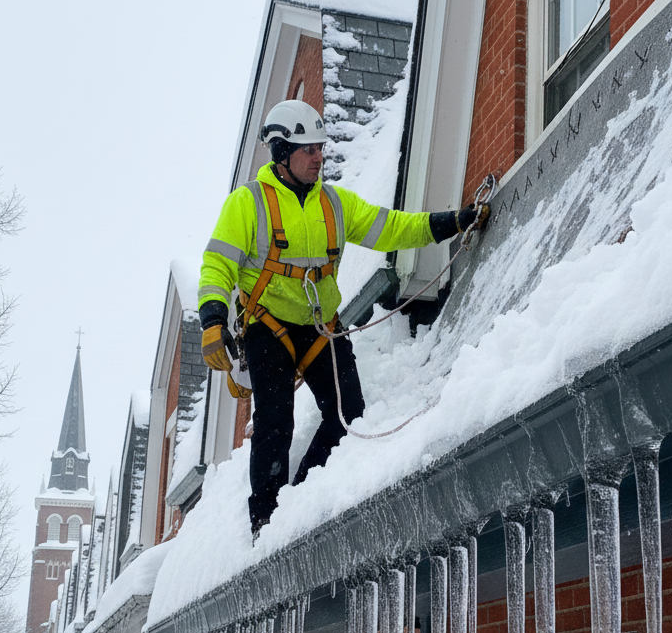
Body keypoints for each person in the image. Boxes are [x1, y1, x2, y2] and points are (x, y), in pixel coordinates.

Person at [199, 99, 487, 538]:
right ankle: (266, 521)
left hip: (319, 326)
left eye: (320, 147)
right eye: (308, 149)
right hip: (267, 325)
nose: (319, 156)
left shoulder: (334, 203)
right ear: (281, 153)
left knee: (348, 414)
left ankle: (303, 499)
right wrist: (213, 321)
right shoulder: (248, 203)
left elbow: (392, 227)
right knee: (275, 422)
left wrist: (453, 222)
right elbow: (217, 265)